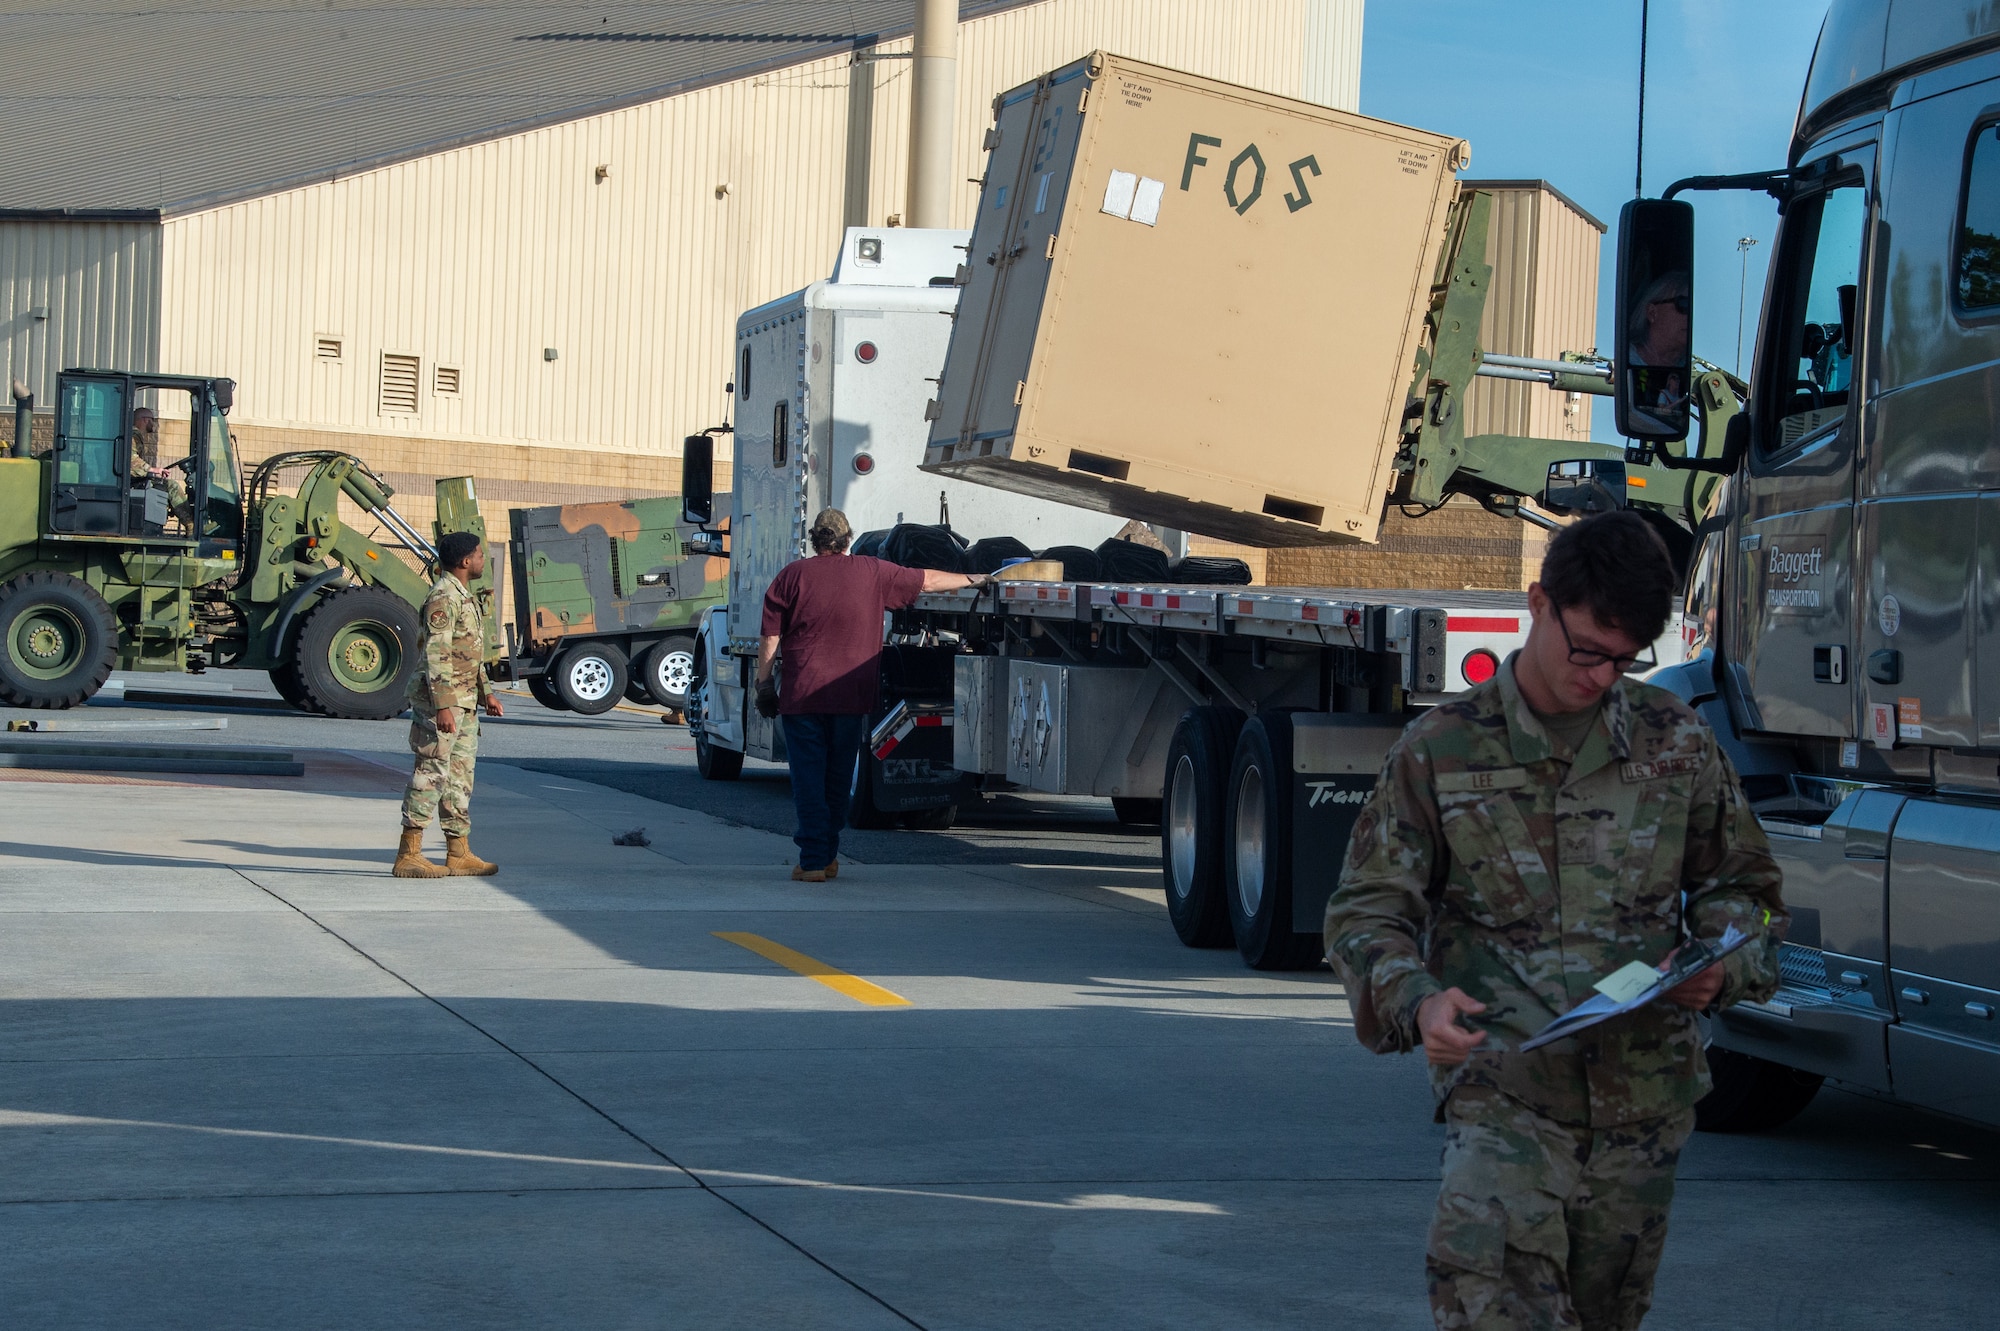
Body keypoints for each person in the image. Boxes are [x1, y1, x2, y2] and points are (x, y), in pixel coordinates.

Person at [1325, 510, 1785, 1331]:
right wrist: (1417, 1000)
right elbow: (1367, 910)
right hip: (1505, 1094)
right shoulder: (1443, 749)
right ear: (1538, 603)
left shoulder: (1675, 739)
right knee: (1492, 1305)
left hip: (1642, 1109)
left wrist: (1723, 964)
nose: (1604, 676)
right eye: (1588, 649)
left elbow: (1745, 890)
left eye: (1626, 658)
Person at [758, 508, 987, 882]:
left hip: (802, 698)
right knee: (836, 779)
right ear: (848, 539)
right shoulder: (872, 572)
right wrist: (975, 578)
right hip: (851, 696)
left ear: (815, 540)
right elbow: (926, 581)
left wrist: (764, 685)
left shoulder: (791, 576)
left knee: (808, 780)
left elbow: (770, 637)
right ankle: (825, 855)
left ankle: (816, 859)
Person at [394, 531, 505, 878]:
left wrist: (486, 692)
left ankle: (458, 852)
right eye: (478, 555)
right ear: (464, 562)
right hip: (444, 703)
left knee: (459, 779)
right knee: (431, 773)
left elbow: (469, 652)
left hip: (466, 701)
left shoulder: (463, 595)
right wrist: (442, 705)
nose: (482, 560)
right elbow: (436, 654)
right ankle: (408, 853)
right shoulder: (443, 597)